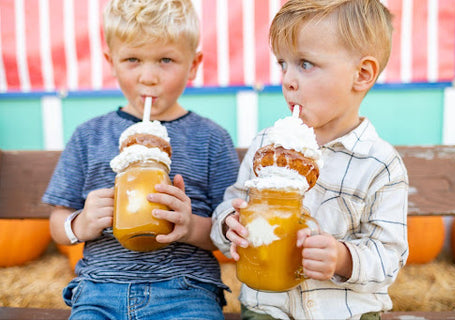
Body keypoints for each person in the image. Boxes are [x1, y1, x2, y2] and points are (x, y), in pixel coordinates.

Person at [211, 0, 409, 319]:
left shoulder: (380, 165)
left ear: (361, 74)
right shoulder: (267, 146)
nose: (288, 79)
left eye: (305, 64)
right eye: (282, 64)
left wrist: (343, 258)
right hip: (267, 309)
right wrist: (228, 225)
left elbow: (390, 255)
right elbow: (232, 204)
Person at [42, 0, 239, 319]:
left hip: (186, 290)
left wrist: (189, 227)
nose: (149, 77)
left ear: (193, 64)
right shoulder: (88, 136)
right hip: (99, 289)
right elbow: (57, 223)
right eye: (132, 59)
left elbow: (229, 232)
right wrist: (81, 223)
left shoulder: (211, 139)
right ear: (111, 61)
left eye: (166, 60)